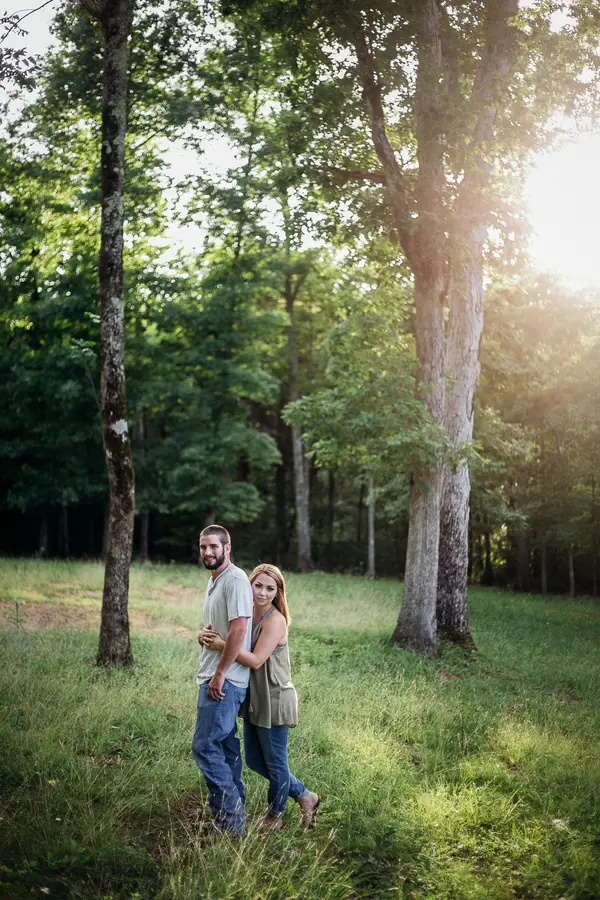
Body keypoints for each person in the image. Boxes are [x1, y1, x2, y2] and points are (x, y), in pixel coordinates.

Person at [200, 563, 320, 831]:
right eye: (258, 586)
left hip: (275, 698)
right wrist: (205, 635)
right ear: (249, 585)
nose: (262, 593)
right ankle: (304, 794)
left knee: (277, 764)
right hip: (255, 697)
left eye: (270, 588)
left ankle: (275, 817)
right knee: (255, 760)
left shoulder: (275, 620)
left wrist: (222, 644)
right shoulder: (247, 613)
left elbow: (255, 661)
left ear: (278, 593)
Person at [192, 525, 253, 837]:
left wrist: (219, 675)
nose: (208, 552)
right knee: (226, 751)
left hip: (223, 682)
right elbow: (222, 630)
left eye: (213, 547)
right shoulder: (215, 580)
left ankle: (230, 822)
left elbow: (240, 630)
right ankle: (230, 820)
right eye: (203, 547)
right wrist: (203, 634)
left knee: (204, 746)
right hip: (217, 677)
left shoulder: (235, 579)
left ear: (228, 548)